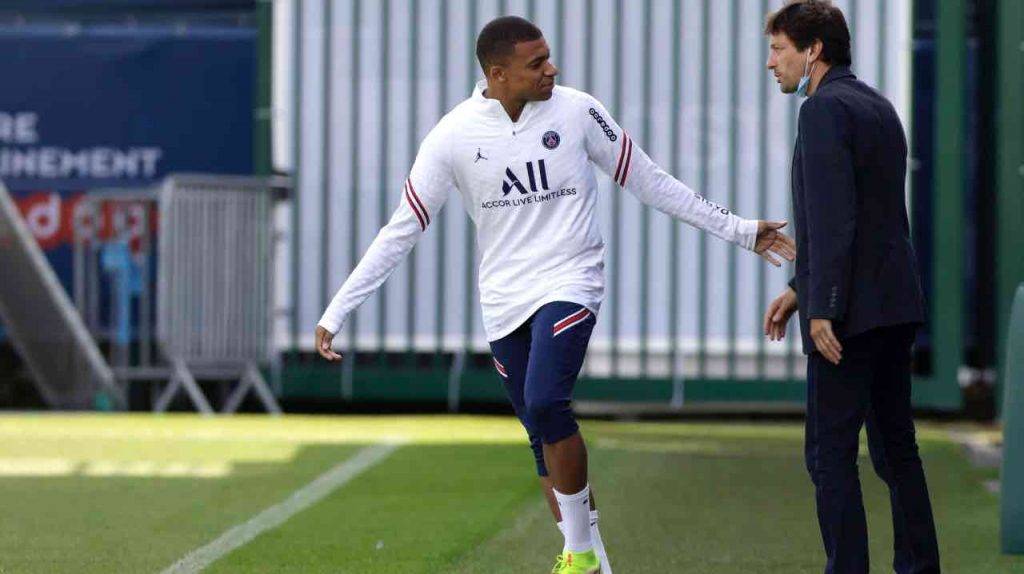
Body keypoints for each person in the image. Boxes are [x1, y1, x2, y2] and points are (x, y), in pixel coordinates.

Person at [316, 16, 795, 574]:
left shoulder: (577, 111)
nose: (553, 69)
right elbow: (403, 227)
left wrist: (739, 228)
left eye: (549, 57)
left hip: (571, 280)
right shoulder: (452, 136)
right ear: (497, 75)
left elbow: (650, 180)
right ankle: (590, 558)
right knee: (538, 432)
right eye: (536, 63)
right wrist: (338, 308)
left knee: (547, 402)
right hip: (502, 301)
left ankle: (582, 552)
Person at [761, 2, 941, 573]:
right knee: (895, 450)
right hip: (894, 306)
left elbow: (835, 217)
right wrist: (800, 286)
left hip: (848, 318)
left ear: (813, 51)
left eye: (778, 49)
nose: (771, 63)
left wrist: (822, 307)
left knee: (829, 456)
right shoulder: (876, 105)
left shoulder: (820, 112)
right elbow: (872, 217)